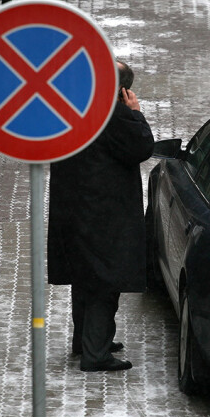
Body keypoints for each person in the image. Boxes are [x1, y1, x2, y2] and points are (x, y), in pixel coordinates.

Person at [47, 61, 154, 371]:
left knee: (85, 277)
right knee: (105, 282)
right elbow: (142, 147)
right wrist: (134, 114)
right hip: (105, 215)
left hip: (72, 209)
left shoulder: (70, 105)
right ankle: (96, 354)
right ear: (122, 91)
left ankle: (87, 340)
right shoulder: (114, 115)